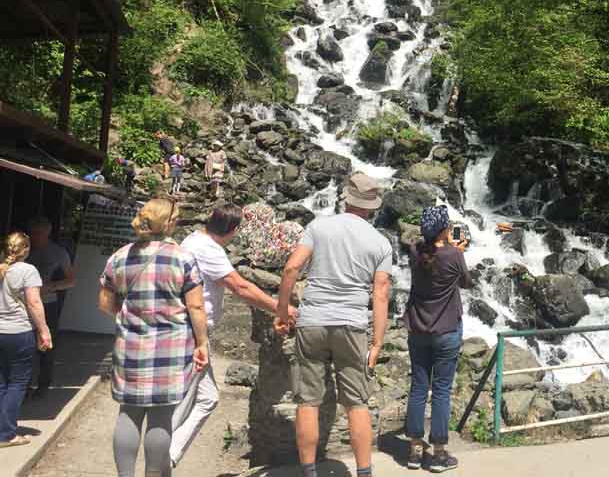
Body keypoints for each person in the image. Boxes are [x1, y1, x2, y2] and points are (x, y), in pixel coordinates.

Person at [275, 172, 392, 477]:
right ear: (372, 206)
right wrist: (377, 343)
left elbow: (291, 269)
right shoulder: (380, 242)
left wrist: (282, 311)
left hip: (312, 322)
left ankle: (310, 472)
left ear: (346, 198)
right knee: (357, 404)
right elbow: (380, 294)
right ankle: (364, 472)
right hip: (352, 326)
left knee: (308, 402)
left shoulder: (318, 226)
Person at [170, 205, 298, 468]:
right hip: (192, 334)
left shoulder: (193, 239)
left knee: (207, 398)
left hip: (190, 331)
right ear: (233, 230)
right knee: (182, 404)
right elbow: (240, 286)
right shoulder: (208, 249)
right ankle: (159, 460)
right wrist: (281, 308)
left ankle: (167, 456)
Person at [98, 198, 209, 477]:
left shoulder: (120, 256)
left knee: (128, 413)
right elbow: (195, 306)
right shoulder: (183, 258)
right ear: (169, 223)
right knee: (161, 417)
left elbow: (105, 304)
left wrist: (131, 320)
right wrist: (202, 343)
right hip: (170, 349)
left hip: (130, 347)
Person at [402, 206, 471, 473]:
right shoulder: (454, 255)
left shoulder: (414, 251)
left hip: (417, 330)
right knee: (441, 391)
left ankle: (415, 451)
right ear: (444, 229)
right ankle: (439, 454)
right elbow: (466, 282)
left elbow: (429, 251)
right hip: (446, 331)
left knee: (418, 388)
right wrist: (458, 250)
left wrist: (444, 244)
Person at [0, 233, 52, 448]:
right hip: (19, 332)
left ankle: (3, 429)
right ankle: (6, 434)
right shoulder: (28, 271)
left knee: (1, 383)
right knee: (18, 383)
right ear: (27, 249)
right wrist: (44, 330)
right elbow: (34, 303)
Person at [26, 216, 74, 398]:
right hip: (23, 305)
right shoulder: (25, 249)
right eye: (34, 233)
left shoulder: (58, 252)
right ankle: (24, 385)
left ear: (47, 232)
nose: (36, 237)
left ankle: (43, 385)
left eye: (40, 233)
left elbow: (71, 280)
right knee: (26, 345)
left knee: (46, 345)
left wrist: (51, 287)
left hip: (47, 303)